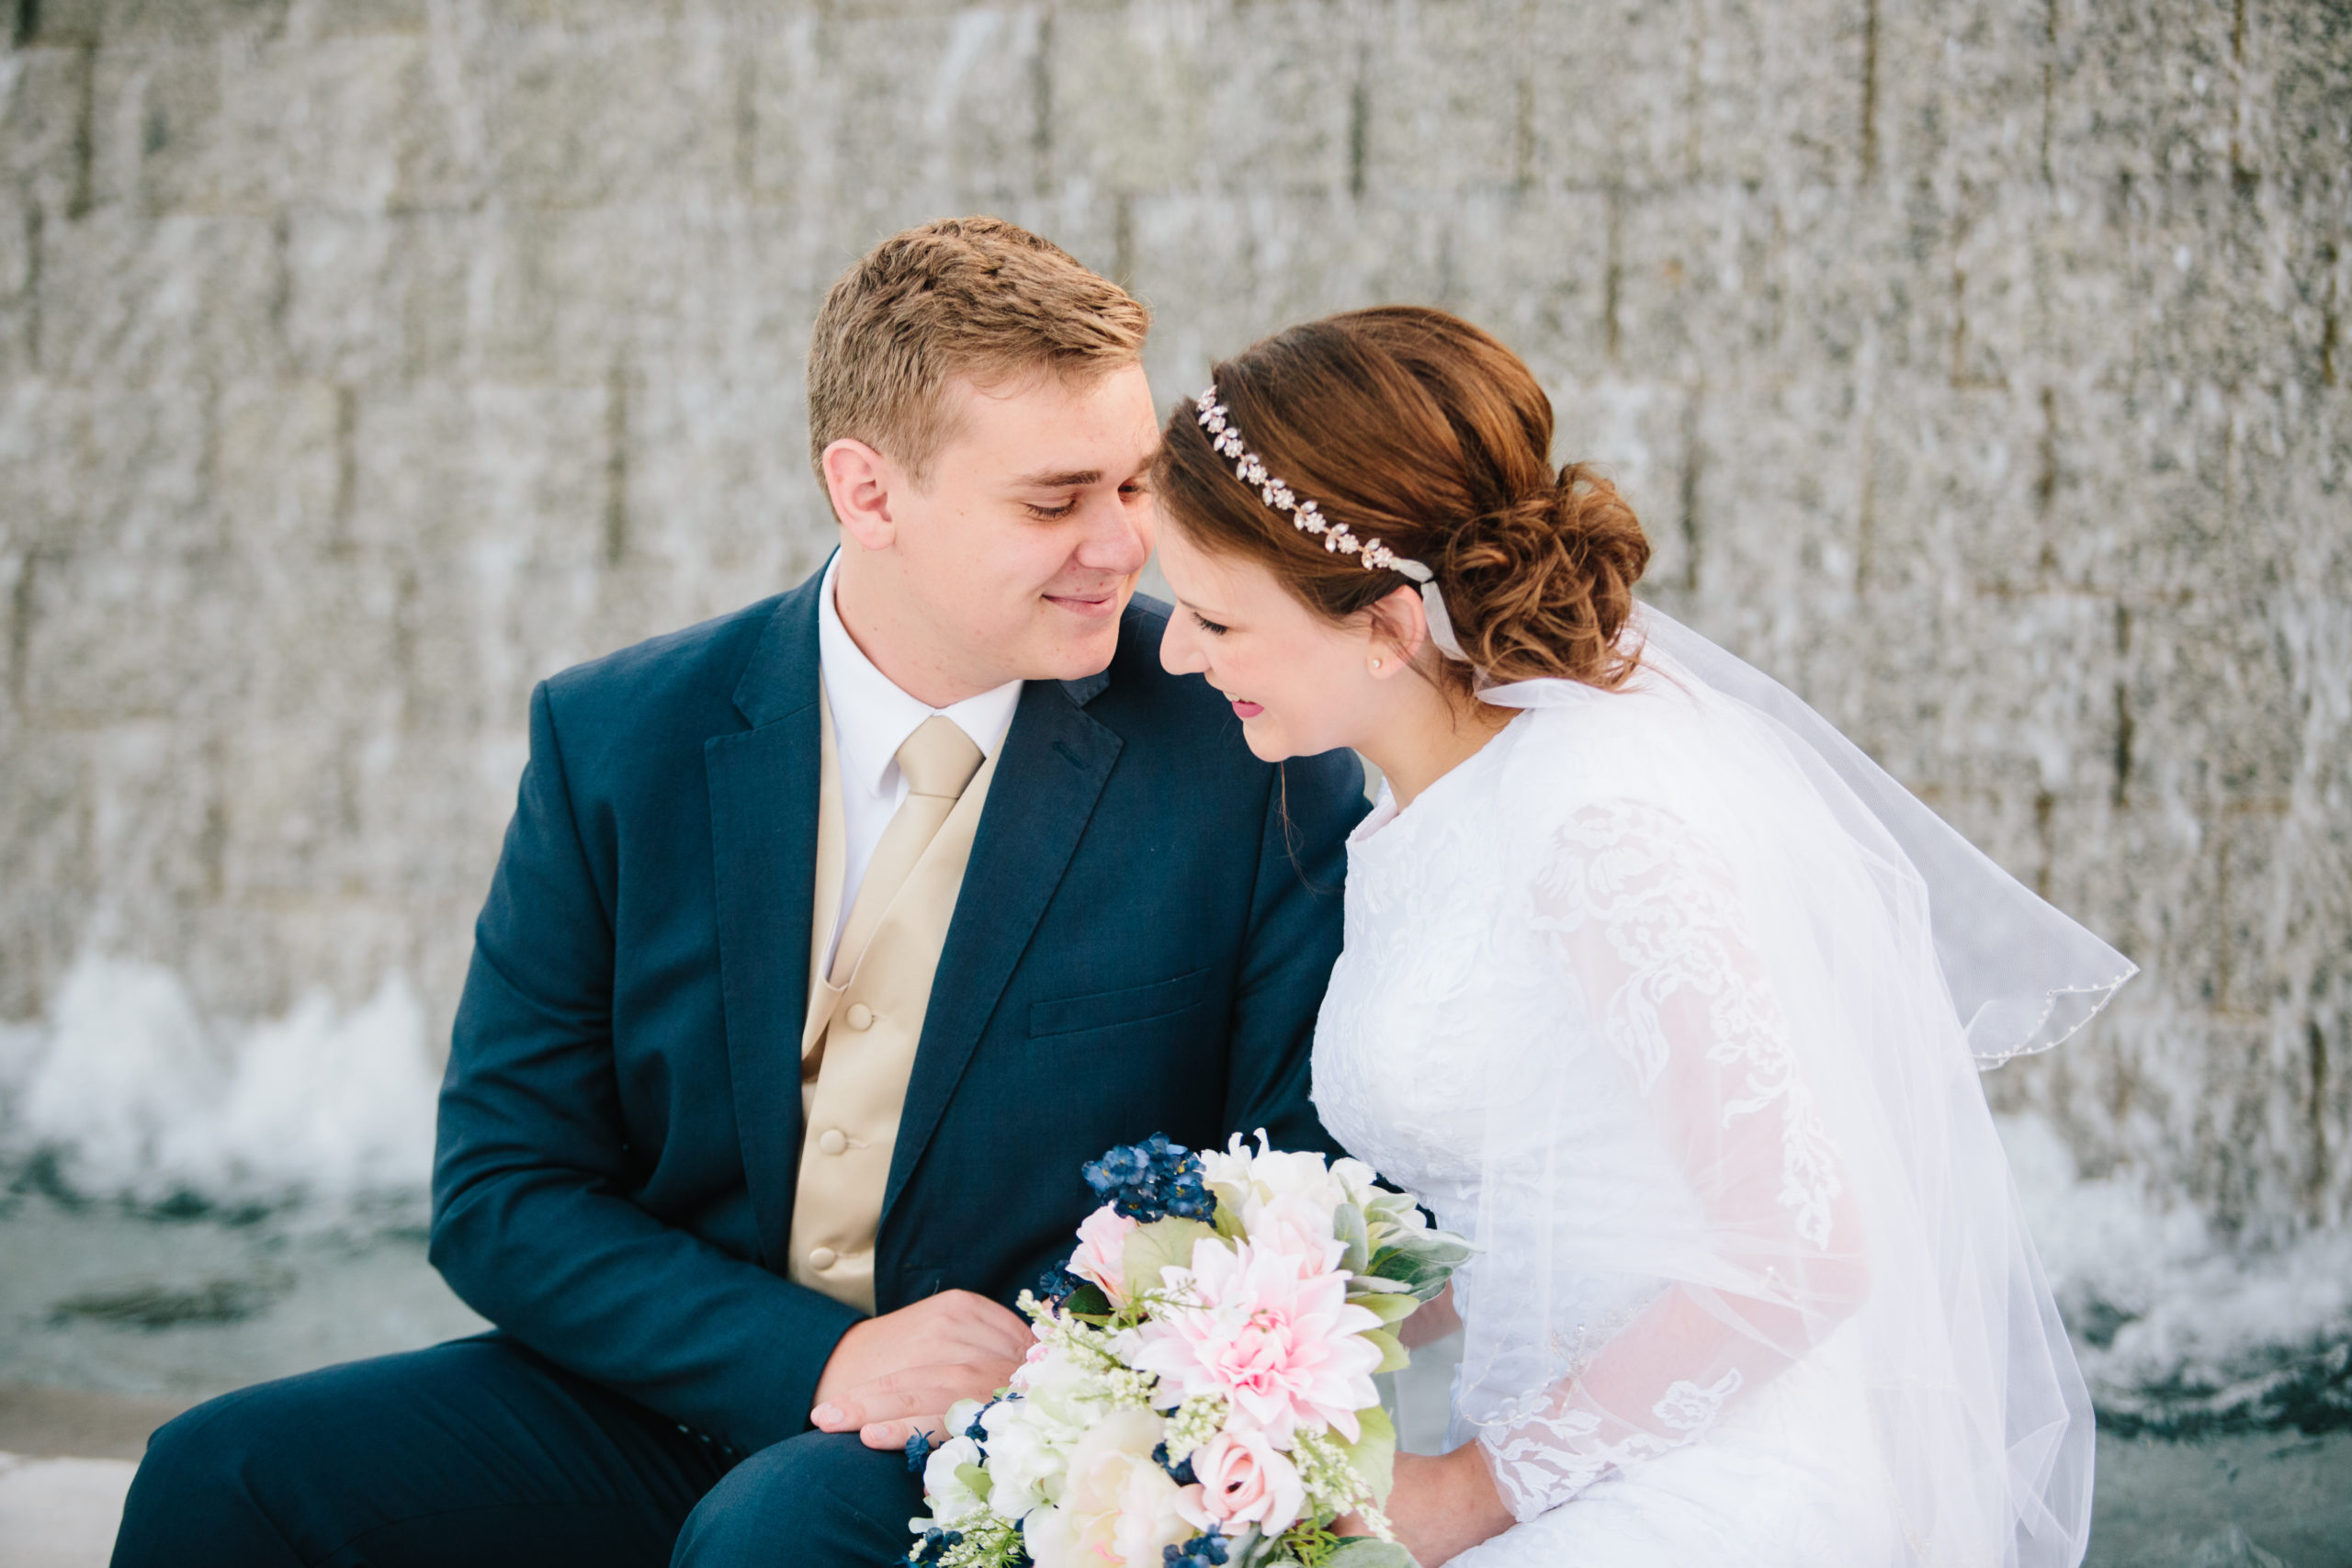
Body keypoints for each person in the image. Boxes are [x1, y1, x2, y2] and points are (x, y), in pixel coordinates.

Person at [109, 218, 1365, 1568]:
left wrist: (1067, 1389)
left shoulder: (1245, 754)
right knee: (223, 1475)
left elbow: (1294, 1198)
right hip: (678, 1391)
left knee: (771, 1538)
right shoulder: (618, 735)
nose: (1123, 548)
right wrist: (819, 1358)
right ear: (867, 492)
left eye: (1136, 486)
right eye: (1054, 502)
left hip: (1023, 1428)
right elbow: (502, 1188)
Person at [1150, 306, 2131, 1567]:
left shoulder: (1598, 818)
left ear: (1390, 627)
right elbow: (1540, 1192)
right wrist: (1249, 1347)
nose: (1177, 653)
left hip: (1717, 1487)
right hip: (1558, 1449)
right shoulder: (1419, 802)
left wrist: (1470, 1491)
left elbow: (1807, 1250)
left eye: (1217, 620)